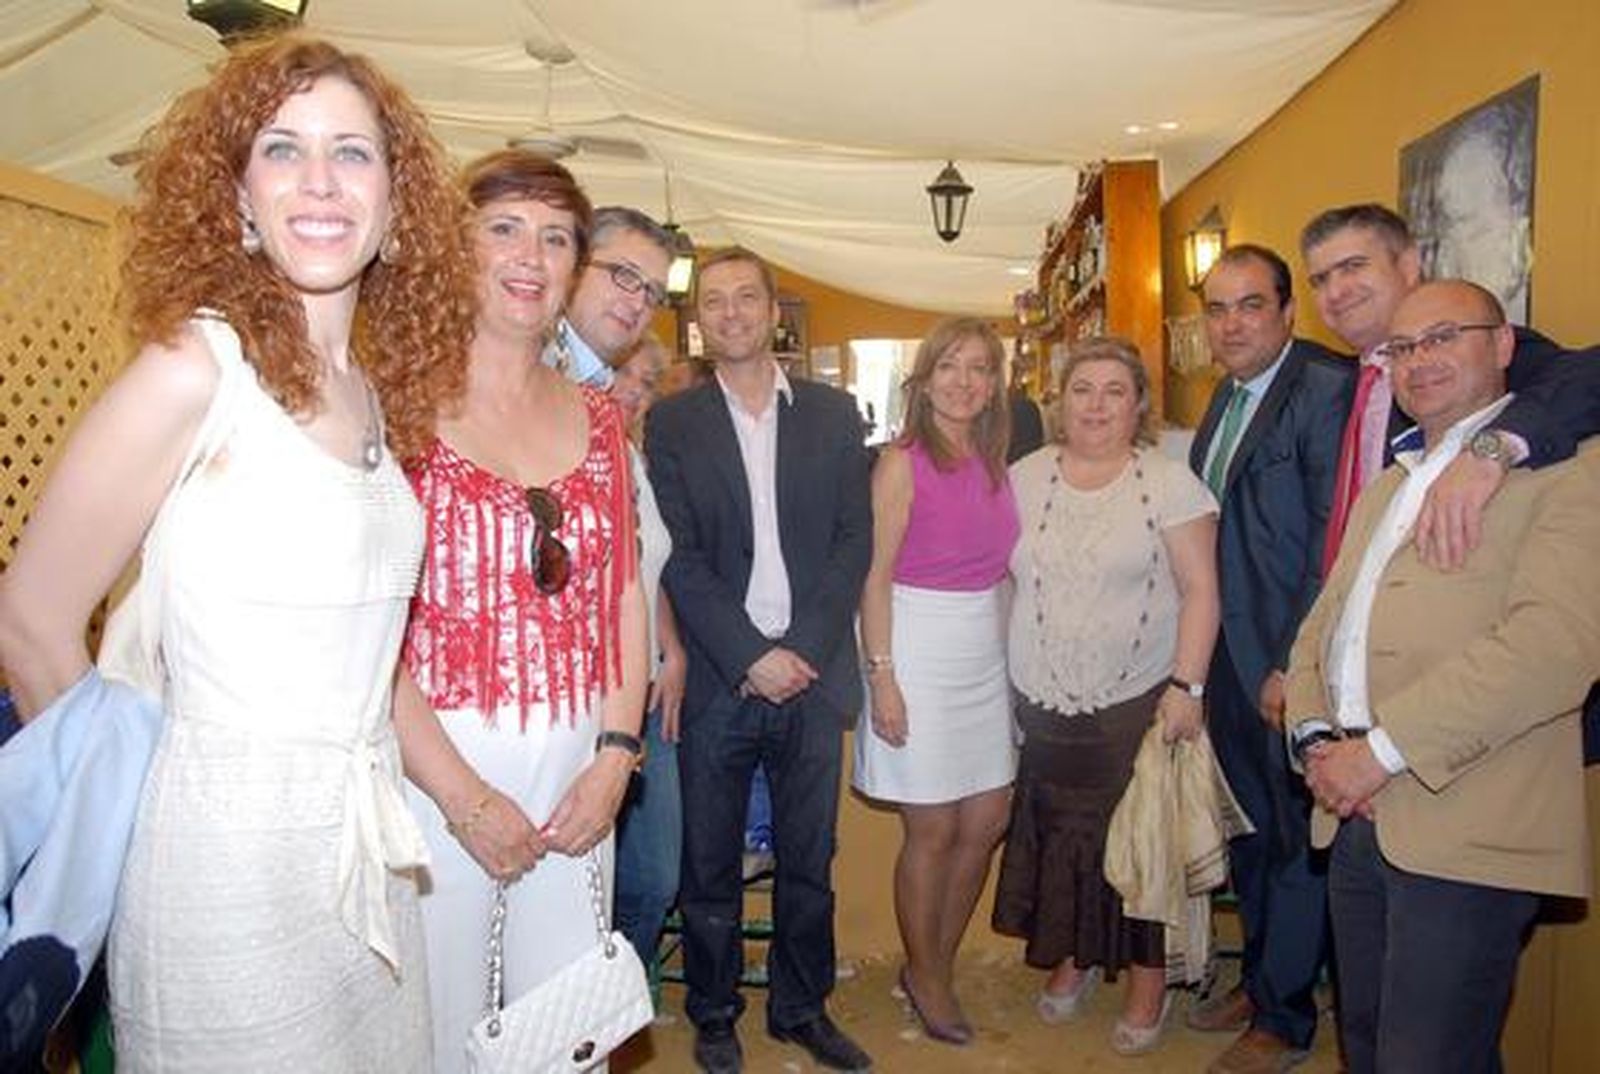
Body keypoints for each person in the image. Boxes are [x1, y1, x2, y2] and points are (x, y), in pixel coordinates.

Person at [0, 36, 511, 1071]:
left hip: (363, 858)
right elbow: (29, 620)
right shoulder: (196, 366)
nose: (319, 182)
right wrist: (135, 835)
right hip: (213, 878)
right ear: (237, 196)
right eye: (282, 150)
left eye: (352, 154)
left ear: (397, 201)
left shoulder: (370, 391)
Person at [1285, 280, 1600, 1074]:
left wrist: (1381, 751)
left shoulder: (1572, 474)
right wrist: (1318, 738)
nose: (1419, 361)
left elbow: (1554, 648)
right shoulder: (1391, 482)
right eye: (1402, 347)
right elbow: (1324, 627)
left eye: (1444, 337)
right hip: (1351, 812)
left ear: (1502, 346)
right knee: (1366, 1044)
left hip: (1469, 821)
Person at [398, 149, 649, 1073]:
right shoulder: (393, 408)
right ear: (454, 248)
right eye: (503, 228)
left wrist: (618, 758)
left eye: (555, 238)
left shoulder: (603, 416)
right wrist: (463, 800)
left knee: (566, 1031)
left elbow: (624, 592)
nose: (529, 256)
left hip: (580, 764)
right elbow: (367, 634)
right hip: (433, 775)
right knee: (436, 1027)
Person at [646, 247, 873, 1074]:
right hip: (721, 679)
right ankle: (713, 1015)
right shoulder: (672, 424)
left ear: (774, 311)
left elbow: (855, 541)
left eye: (748, 297)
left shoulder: (834, 413)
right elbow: (678, 557)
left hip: (810, 681)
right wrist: (751, 656)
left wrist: (801, 651)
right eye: (716, 301)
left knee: (809, 863)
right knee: (708, 867)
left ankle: (800, 1009)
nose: (733, 312)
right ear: (699, 320)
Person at [994, 336, 1220, 1056]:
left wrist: (1188, 685)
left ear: (1139, 405)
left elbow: (1202, 592)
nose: (1095, 404)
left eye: (1114, 390)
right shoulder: (1022, 479)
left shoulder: (1170, 482)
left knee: (1140, 845)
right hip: (1041, 695)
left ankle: (1149, 980)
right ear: (1059, 402)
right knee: (1064, 837)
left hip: (1137, 700)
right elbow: (1002, 583)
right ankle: (1075, 956)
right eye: (1081, 389)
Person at [1185, 245, 1354, 1074]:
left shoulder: (1326, 389)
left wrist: (1298, 662)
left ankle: (1285, 1020)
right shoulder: (1227, 394)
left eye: (1251, 305)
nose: (1232, 323)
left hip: (1287, 666)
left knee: (1294, 841)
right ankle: (1260, 979)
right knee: (1249, 831)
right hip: (1227, 660)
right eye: (1218, 309)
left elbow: (1335, 539)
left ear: (1290, 311)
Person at [853, 316, 1018, 1045]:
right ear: (924, 380)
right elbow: (875, 579)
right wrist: (882, 677)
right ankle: (928, 977)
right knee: (934, 826)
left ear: (994, 386)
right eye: (949, 366)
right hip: (913, 645)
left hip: (984, 649)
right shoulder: (901, 461)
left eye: (979, 368)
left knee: (986, 822)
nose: (964, 381)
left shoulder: (997, 460)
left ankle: (930, 965)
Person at [1300, 203, 1600, 573]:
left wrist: (1490, 450)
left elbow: (1588, 374)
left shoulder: (1478, 354)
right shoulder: (1338, 385)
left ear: (1409, 265)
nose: (1336, 291)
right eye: (1320, 280)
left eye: (1353, 267)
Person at [608, 331, 691, 994]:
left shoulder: (634, 459)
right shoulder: (558, 451)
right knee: (585, 882)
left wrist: (674, 646)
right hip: (589, 706)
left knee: (657, 877)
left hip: (649, 692)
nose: (631, 393)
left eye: (644, 382)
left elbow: (647, 568)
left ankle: (614, 1006)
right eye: (620, 376)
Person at [543, 205, 674, 387]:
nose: (638, 304)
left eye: (653, 292)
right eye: (626, 275)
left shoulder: (598, 384)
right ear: (575, 266)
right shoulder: (522, 366)